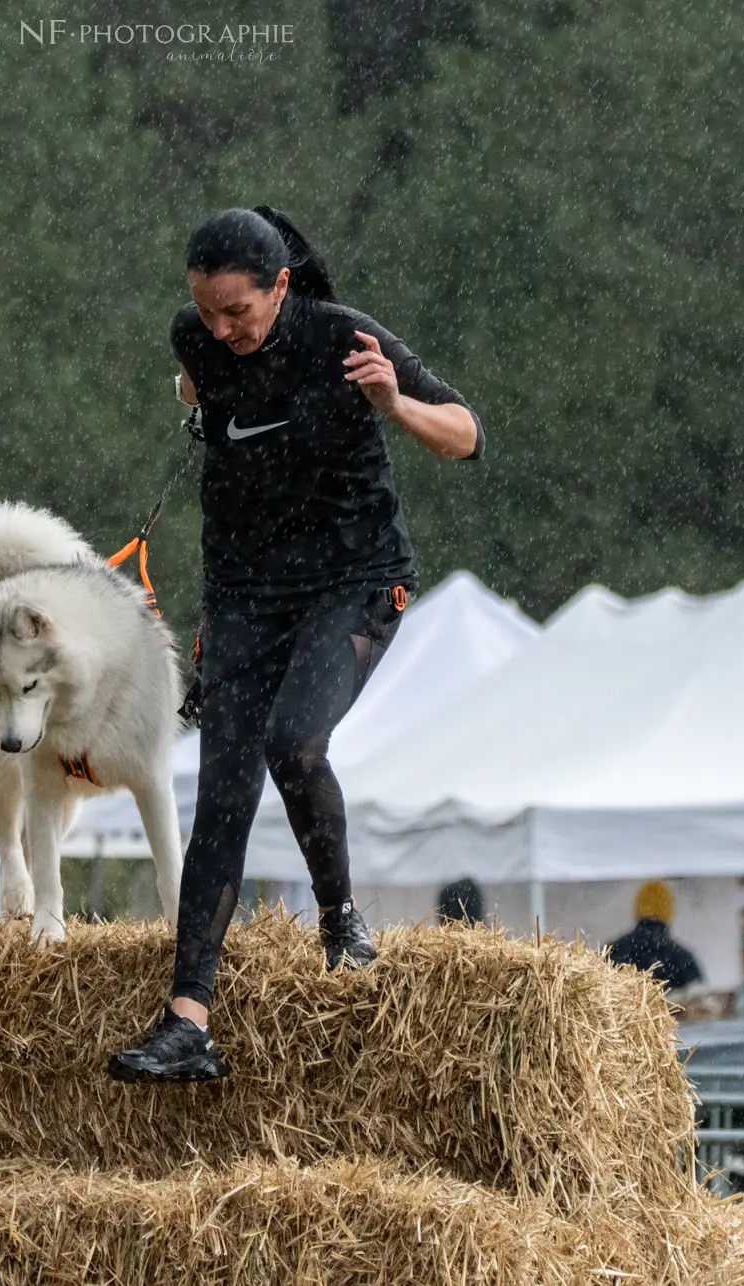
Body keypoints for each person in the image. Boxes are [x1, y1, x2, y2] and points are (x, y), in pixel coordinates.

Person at [107, 206, 483, 1084]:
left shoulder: (344, 338)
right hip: (245, 591)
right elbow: (211, 414)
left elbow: (467, 434)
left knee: (293, 741)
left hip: (352, 582)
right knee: (222, 793)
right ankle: (188, 1019)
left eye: (238, 310)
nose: (221, 329)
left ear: (280, 285)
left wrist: (393, 404)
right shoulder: (195, 342)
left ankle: (340, 917)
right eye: (207, 311)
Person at [606, 881, 702, 992]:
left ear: (638, 908)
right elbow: (700, 1000)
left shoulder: (614, 951)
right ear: (669, 912)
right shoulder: (683, 960)